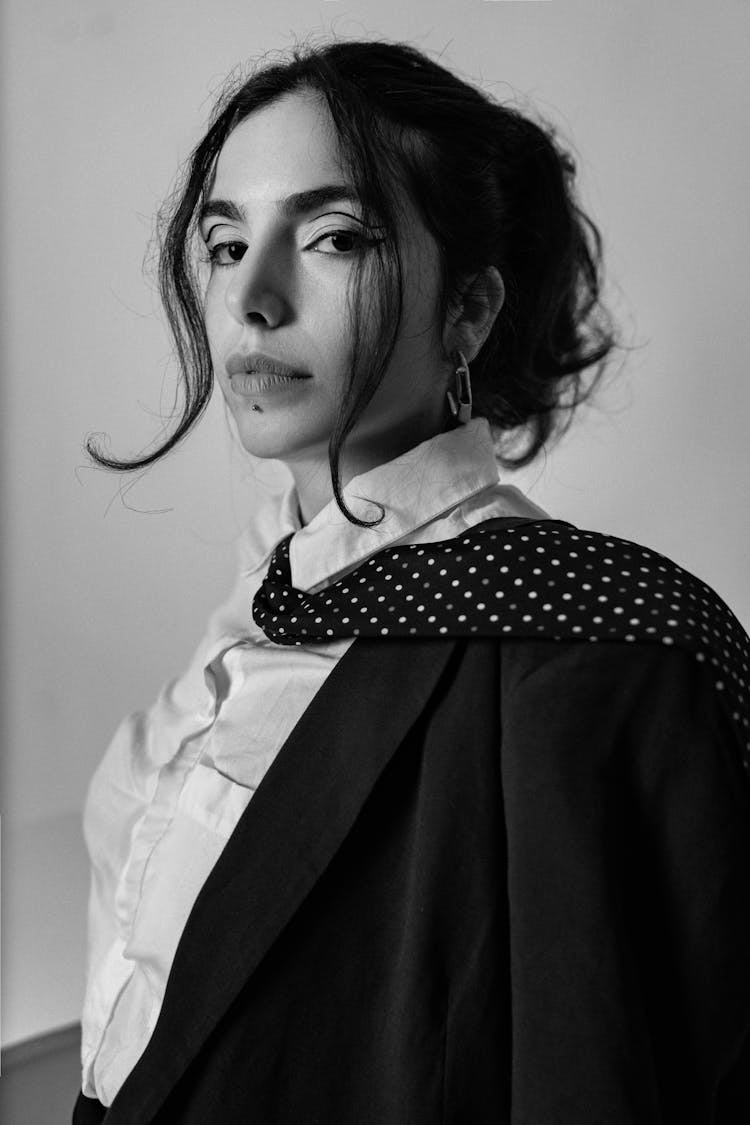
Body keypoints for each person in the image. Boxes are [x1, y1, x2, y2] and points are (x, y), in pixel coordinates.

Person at [72, 38, 750, 1125]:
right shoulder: (261, 602)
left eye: (334, 237)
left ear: (469, 312)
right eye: (226, 242)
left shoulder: (598, 650)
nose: (252, 296)